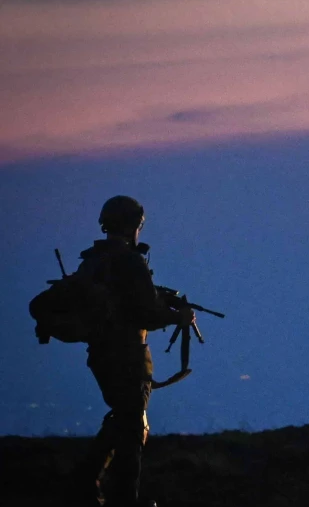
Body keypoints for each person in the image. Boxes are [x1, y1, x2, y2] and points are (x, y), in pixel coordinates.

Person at [73, 196, 195, 507]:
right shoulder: (129, 261)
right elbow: (145, 314)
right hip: (127, 357)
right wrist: (176, 316)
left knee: (123, 419)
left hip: (101, 355)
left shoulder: (92, 261)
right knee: (131, 429)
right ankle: (121, 498)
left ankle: (87, 484)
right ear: (134, 225)